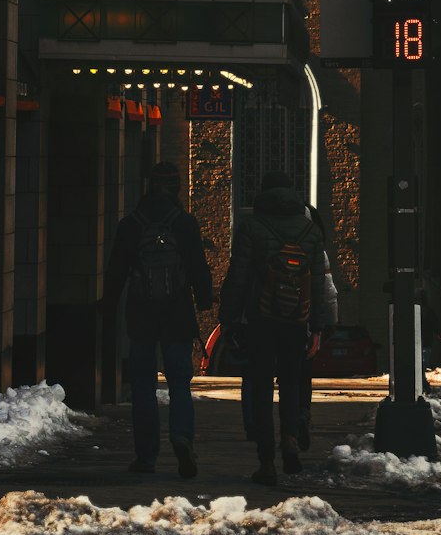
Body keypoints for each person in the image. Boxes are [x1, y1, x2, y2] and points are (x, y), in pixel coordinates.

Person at [103, 161, 212, 478]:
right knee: (180, 382)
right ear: (176, 187)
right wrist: (204, 300)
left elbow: (117, 270)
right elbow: (197, 268)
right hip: (177, 313)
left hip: (141, 313)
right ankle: (181, 437)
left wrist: (108, 304)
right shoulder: (185, 223)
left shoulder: (132, 224)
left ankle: (146, 456)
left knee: (142, 385)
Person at [219, 170, 326, 487]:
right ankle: (290, 439)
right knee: (291, 382)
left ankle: (266, 461)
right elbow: (318, 284)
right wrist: (317, 327)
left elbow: (237, 276)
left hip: (260, 319)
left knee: (262, 387)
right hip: (296, 321)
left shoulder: (251, 227)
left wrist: (229, 319)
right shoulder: (310, 230)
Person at [298, 202, 338, 450]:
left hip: (268, 317)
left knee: (261, 378)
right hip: (303, 319)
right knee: (302, 375)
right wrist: (327, 323)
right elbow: (326, 289)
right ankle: (301, 416)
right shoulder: (314, 245)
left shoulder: (260, 233)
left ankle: (264, 434)